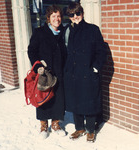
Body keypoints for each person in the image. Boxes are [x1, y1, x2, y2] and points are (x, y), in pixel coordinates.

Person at [63, 2, 107, 142]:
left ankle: (90, 130)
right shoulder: (67, 30)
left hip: (87, 73)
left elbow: (101, 52)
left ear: (82, 13)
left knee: (89, 101)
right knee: (76, 101)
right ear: (69, 17)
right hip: (73, 73)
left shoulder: (93, 30)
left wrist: (95, 68)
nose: (75, 17)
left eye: (77, 13)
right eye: (72, 15)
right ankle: (79, 127)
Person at [28, 5, 66, 138]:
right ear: (48, 18)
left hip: (60, 72)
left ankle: (56, 124)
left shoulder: (63, 32)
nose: (57, 19)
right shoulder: (39, 32)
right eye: (54, 16)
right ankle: (44, 126)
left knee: (58, 99)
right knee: (43, 98)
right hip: (44, 72)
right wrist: (37, 64)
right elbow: (31, 50)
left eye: (59, 16)